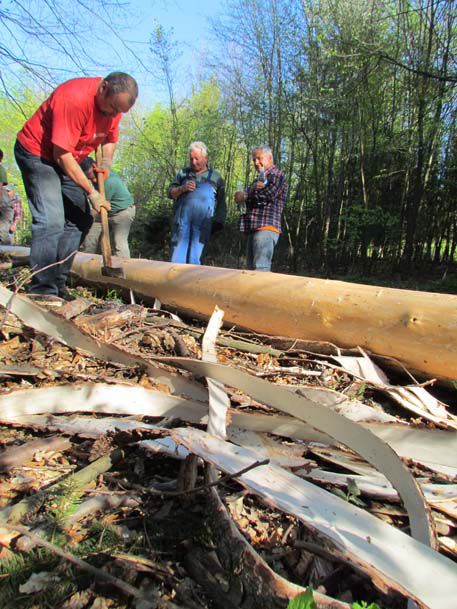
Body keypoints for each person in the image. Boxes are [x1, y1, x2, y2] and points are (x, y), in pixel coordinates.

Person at [14, 72, 138, 299]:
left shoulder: (114, 107)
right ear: (103, 88)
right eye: (110, 108)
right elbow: (61, 154)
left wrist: (106, 162)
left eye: (118, 112)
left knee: (81, 219)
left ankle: (57, 283)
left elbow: (110, 138)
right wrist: (92, 192)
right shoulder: (73, 99)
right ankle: (42, 289)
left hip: (72, 157)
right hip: (38, 154)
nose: (112, 114)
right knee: (51, 220)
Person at [168, 141, 226, 265]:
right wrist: (182, 188)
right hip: (182, 224)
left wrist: (218, 223)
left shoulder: (216, 177)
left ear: (205, 158)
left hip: (202, 227)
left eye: (197, 159)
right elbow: (170, 193)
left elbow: (221, 204)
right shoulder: (183, 173)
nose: (193, 162)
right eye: (191, 159)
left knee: (196, 259)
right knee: (177, 257)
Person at [234, 146, 287, 272]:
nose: (256, 162)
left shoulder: (276, 175)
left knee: (260, 270)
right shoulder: (258, 180)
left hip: (266, 228)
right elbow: (242, 198)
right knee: (251, 271)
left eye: (259, 158)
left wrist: (246, 194)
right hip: (254, 229)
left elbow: (268, 194)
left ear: (269, 158)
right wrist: (241, 196)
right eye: (254, 160)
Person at [79, 157, 135, 258]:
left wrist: (86, 217)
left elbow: (103, 206)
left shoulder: (110, 181)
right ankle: (84, 263)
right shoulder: (95, 175)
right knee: (90, 236)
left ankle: (124, 267)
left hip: (122, 213)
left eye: (92, 176)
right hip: (105, 211)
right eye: (89, 178)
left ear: (95, 166)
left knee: (119, 242)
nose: (93, 180)